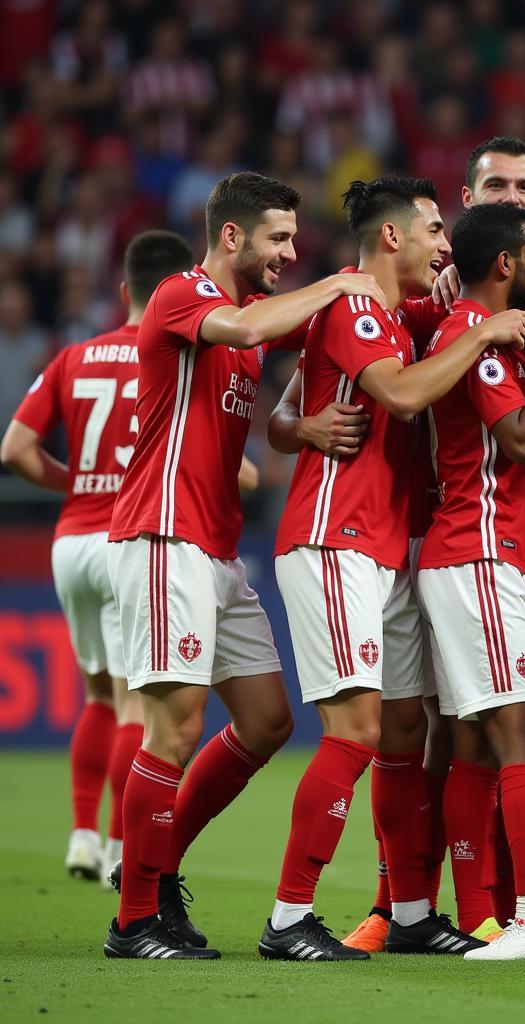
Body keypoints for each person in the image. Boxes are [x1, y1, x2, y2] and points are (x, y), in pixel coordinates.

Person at [101, 171, 386, 960]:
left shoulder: (249, 317)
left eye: (297, 241)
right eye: (279, 239)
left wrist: (304, 421)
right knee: (175, 726)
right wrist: (337, 280)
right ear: (233, 236)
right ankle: (133, 921)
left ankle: (158, 870)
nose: (289, 254)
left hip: (217, 550)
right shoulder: (182, 295)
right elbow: (256, 330)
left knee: (266, 719)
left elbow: (325, 337)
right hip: (163, 538)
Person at [266, 176, 525, 961]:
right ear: (393, 237)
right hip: (333, 539)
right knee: (356, 731)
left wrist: (299, 424)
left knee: (402, 732)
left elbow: (290, 408)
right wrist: (482, 336)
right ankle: (289, 918)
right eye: (432, 231)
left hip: (385, 549)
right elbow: (405, 396)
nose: (444, 245)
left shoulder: (397, 312)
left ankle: (413, 912)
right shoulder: (354, 304)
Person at [2, 230, 194, 886]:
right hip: (126, 541)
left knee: (96, 692)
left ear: (124, 289)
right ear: (179, 289)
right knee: (135, 702)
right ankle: (118, 850)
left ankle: (83, 835)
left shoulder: (73, 356)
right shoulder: (171, 353)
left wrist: (73, 481)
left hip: (68, 542)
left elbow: (14, 450)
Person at [417, 202, 525, 961]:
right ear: (506, 264)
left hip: (475, 554)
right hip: (479, 552)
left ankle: (485, 917)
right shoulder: (477, 342)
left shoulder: (489, 337)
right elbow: (523, 441)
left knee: (476, 740)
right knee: (519, 731)